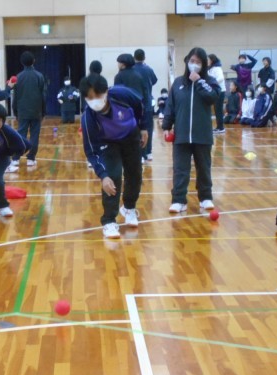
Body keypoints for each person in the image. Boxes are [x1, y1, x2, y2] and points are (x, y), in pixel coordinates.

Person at [80, 74, 148, 238]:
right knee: (113, 176)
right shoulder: (88, 118)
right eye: (90, 98)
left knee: (135, 174)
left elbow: (142, 105)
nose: (94, 100)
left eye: (97, 95)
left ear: (106, 91)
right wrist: (103, 175)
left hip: (130, 136)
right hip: (108, 142)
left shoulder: (122, 95)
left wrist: (144, 127)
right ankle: (109, 221)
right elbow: (91, 151)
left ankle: (129, 208)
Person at [162, 47, 219, 214]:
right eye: (192, 61)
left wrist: (199, 82)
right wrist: (166, 126)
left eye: (198, 62)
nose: (194, 64)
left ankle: (205, 197)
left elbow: (213, 97)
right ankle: (178, 200)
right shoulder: (178, 83)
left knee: (204, 168)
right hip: (181, 135)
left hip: (202, 134)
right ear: (187, 62)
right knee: (180, 169)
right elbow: (170, 105)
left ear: (203, 65)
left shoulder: (210, 82)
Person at [11, 51, 46, 168]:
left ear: (22, 62)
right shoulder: (39, 76)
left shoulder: (18, 77)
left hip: (22, 111)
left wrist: (15, 111)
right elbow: (43, 96)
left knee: (21, 134)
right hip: (36, 111)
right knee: (35, 135)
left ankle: (16, 158)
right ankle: (31, 158)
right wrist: (43, 111)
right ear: (34, 61)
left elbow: (15, 97)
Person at [134, 49, 158, 161]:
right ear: (144, 57)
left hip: (135, 103)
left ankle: (140, 154)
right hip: (147, 103)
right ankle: (148, 152)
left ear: (134, 57)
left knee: (137, 129)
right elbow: (154, 81)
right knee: (148, 128)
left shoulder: (132, 70)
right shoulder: (148, 69)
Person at [208, 54, 226, 134]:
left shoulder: (217, 68)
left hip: (220, 91)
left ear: (212, 60)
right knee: (216, 109)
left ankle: (221, 127)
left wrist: (213, 84)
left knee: (218, 109)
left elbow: (221, 78)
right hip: (215, 91)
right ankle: (218, 127)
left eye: (208, 59)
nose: (207, 61)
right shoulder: (210, 69)